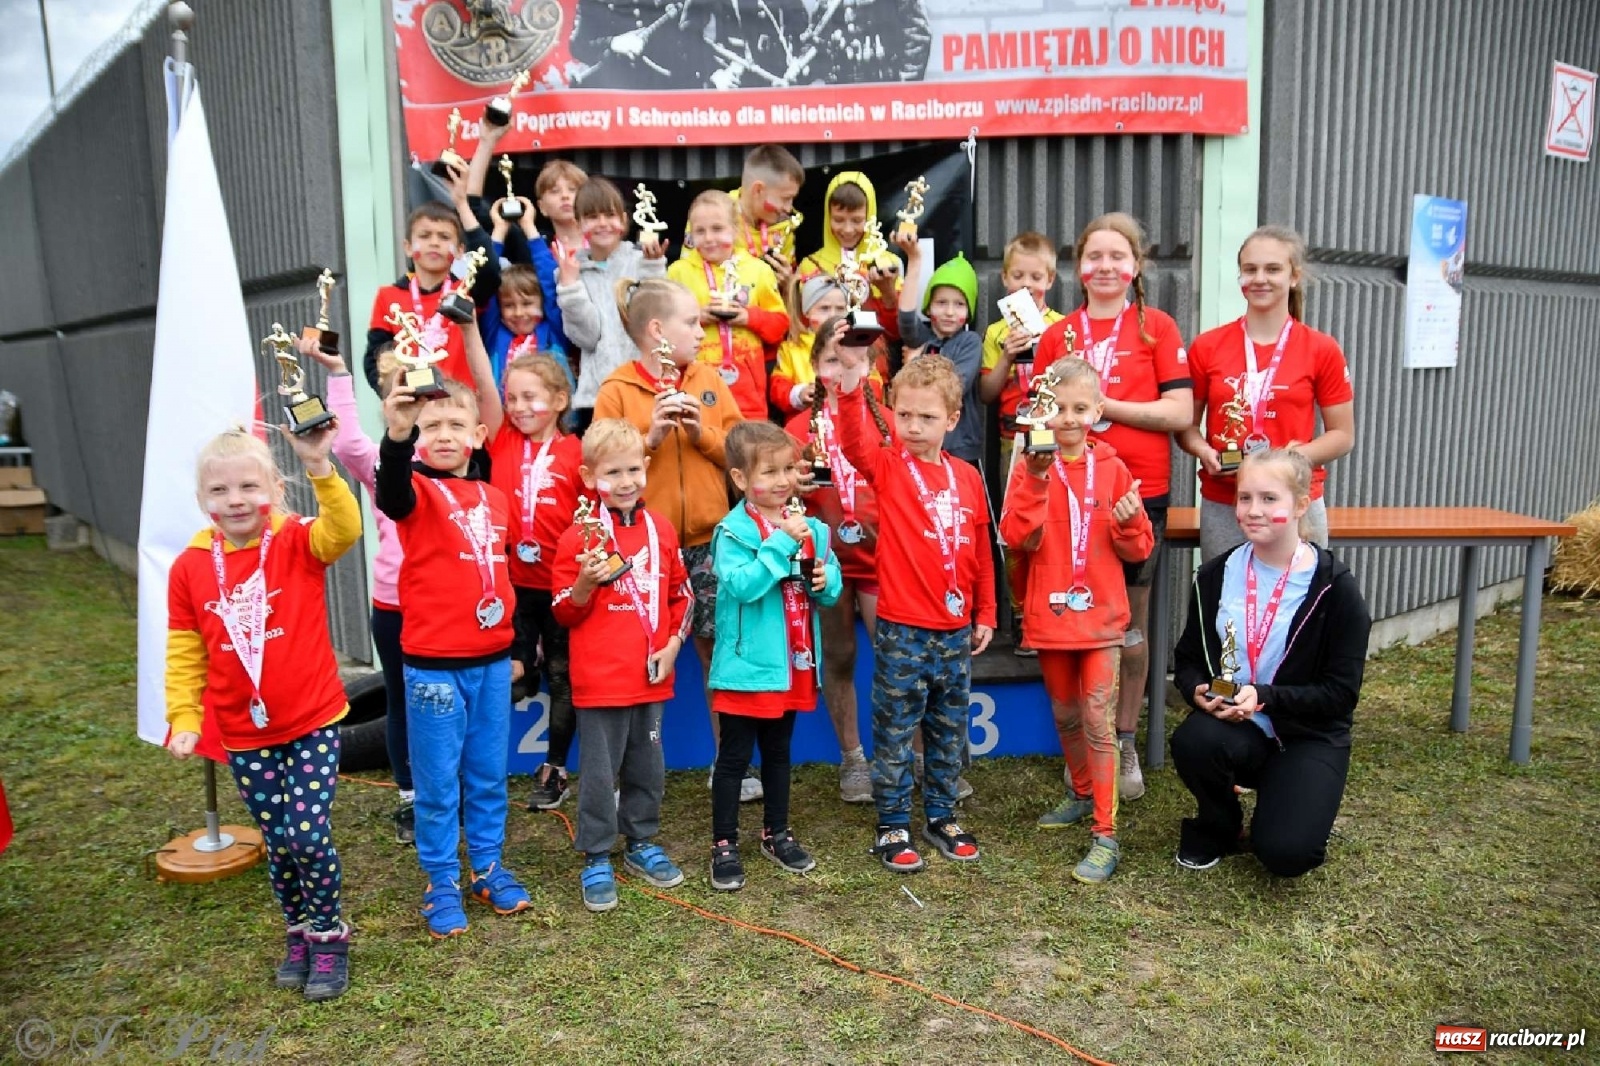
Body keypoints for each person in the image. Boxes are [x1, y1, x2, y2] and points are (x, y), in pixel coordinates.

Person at [165, 425, 361, 1000]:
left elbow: (345, 528)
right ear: (204, 500)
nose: (235, 500)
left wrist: (319, 466)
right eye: (220, 491)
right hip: (243, 733)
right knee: (278, 840)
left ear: (274, 488)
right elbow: (184, 651)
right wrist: (184, 717)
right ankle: (297, 930)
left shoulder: (298, 540)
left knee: (305, 834)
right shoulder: (190, 567)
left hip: (311, 721)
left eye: (249, 486)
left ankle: (329, 936)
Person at [1036, 212, 1193, 801]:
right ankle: (1084, 741)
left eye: (1117, 256)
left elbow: (1180, 414)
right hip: (1067, 497)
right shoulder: (1058, 336)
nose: (1105, 267)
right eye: (1094, 256)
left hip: (1136, 494)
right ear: (1081, 267)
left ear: (1136, 266)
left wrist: (1107, 406)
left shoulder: (1158, 328)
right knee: (1072, 617)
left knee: (1128, 621)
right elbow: (1042, 422)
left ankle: (1123, 737)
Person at [376, 363, 530, 939]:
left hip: (490, 662)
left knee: (488, 774)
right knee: (439, 783)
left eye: (454, 424)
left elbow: (502, 575)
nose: (442, 434)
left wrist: (519, 646)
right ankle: (440, 878)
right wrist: (396, 437)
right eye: (429, 424)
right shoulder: (414, 490)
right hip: (434, 669)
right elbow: (389, 493)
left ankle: (486, 866)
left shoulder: (494, 498)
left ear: (477, 435)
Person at [592, 278, 757, 799]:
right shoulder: (617, 388)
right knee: (635, 653)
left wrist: (698, 433)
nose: (701, 333)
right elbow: (596, 464)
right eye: (692, 323)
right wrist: (651, 439)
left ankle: (729, 765)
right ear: (657, 330)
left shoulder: (708, 379)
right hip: (644, 547)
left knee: (718, 652)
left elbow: (739, 450)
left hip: (712, 539)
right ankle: (623, 776)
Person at [1170, 448, 1370, 877]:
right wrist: (1197, 691)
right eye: (1245, 498)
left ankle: (1291, 801)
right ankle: (1219, 825)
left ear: (1301, 505)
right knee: (1193, 739)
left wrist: (1263, 696)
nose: (1252, 511)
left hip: (1308, 737)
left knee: (1286, 854)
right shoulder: (1215, 576)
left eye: (1269, 499)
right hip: (1238, 728)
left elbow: (1341, 694)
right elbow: (1187, 659)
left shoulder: (1334, 588)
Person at [836, 346, 996, 872]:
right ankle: (892, 822)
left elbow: (980, 553)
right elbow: (856, 441)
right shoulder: (888, 465)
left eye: (927, 417)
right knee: (896, 731)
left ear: (952, 419)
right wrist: (853, 382)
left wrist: (987, 613)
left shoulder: (968, 477)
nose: (913, 426)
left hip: (955, 631)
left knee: (949, 729)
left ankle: (943, 814)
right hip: (903, 629)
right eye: (903, 414)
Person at [999, 358, 1153, 883]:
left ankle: (1105, 835)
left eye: (1080, 408)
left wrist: (1131, 522)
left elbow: (1139, 547)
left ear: (1098, 411)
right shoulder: (1028, 465)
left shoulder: (1113, 468)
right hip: (1051, 614)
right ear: (1043, 410)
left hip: (1103, 617)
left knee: (1095, 717)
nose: (1067, 418)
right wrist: (1037, 478)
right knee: (1065, 713)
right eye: (1057, 408)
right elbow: (1015, 536)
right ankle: (1082, 793)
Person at [551, 418, 695, 912]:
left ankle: (641, 841)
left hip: (652, 676)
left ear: (647, 468)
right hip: (599, 680)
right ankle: (595, 853)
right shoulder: (577, 537)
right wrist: (585, 586)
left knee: (647, 767)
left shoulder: (662, 529)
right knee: (598, 773)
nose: (627, 480)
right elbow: (562, 612)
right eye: (613, 472)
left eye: (634, 468)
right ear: (590, 477)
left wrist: (674, 645)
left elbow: (683, 595)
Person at [707, 421, 843, 890]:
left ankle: (776, 832)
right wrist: (781, 542)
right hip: (746, 668)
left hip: (793, 662)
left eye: (789, 468)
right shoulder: (731, 532)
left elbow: (828, 586)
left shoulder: (813, 528)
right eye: (770, 471)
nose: (784, 480)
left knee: (780, 753)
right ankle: (723, 842)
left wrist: (827, 585)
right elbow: (742, 586)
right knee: (735, 757)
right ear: (741, 479)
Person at [1178, 225, 1355, 561]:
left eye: (1273, 269)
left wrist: (1293, 459)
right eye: (1250, 269)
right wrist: (1204, 450)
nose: (1260, 278)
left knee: (1300, 604)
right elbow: (1186, 427)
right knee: (1228, 605)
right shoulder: (1208, 346)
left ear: (1294, 277)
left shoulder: (1321, 349)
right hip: (1227, 500)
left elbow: (1343, 435)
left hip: (1294, 499)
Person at [301, 336, 416, 843]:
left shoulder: (457, 460)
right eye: (399, 393)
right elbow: (346, 444)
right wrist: (340, 374)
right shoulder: (380, 462)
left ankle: (449, 788)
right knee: (401, 700)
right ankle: (411, 795)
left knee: (447, 703)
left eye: (422, 392)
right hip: (394, 604)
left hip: (450, 610)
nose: (412, 403)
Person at [468, 344, 587, 812]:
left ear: (559, 400)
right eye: (511, 398)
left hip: (559, 587)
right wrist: (467, 326)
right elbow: (481, 382)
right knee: (513, 678)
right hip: (508, 585)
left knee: (563, 677)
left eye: (529, 397)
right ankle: (482, 773)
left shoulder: (576, 451)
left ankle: (555, 768)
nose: (518, 407)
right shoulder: (502, 440)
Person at [785, 319, 890, 803]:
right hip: (825, 560)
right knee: (841, 654)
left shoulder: (888, 420)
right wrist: (793, 489)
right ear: (813, 369)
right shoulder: (794, 430)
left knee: (896, 656)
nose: (839, 370)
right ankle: (853, 759)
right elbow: (771, 498)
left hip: (879, 556)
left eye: (850, 360)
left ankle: (909, 756)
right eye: (830, 360)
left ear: (874, 368)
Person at [363, 166, 500, 392]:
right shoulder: (388, 297)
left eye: (444, 237)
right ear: (407, 247)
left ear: (459, 250)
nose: (434, 242)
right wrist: (395, 394)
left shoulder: (465, 291)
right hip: (414, 404)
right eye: (425, 236)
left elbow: (490, 269)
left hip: (462, 404)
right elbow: (376, 358)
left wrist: (462, 205)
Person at [668, 190, 790, 421]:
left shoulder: (758, 270)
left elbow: (780, 327)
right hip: (696, 390)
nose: (709, 238)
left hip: (749, 395)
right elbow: (665, 332)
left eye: (717, 229)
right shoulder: (678, 272)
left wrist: (748, 317)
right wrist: (697, 318)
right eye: (700, 231)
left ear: (735, 230)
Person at [557, 177, 669, 429]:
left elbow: (656, 323)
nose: (603, 223)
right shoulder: (571, 272)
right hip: (597, 396)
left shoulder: (641, 261)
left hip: (645, 387)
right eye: (592, 216)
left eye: (610, 215)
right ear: (578, 224)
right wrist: (570, 287)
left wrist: (653, 270)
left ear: (624, 220)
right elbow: (587, 337)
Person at [890, 237, 984, 466]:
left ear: (969, 310)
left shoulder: (970, 342)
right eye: (941, 302)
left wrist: (916, 363)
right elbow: (905, 318)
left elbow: (955, 386)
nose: (950, 312)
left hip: (960, 447)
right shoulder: (922, 336)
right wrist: (914, 260)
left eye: (959, 304)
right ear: (929, 306)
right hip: (922, 443)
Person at [979, 231, 1067, 468]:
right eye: (1018, 275)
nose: (1026, 283)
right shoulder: (996, 331)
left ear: (1049, 280)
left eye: (1036, 277)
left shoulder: (1062, 326)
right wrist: (1007, 356)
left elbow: (1074, 382)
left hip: (1056, 433)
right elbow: (986, 394)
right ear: (1005, 277)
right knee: (1014, 499)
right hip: (1012, 435)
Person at [770, 275, 850, 420]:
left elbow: (875, 384)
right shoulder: (792, 348)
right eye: (824, 308)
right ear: (807, 312)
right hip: (805, 425)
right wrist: (800, 393)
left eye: (840, 309)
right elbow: (778, 387)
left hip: (848, 419)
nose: (832, 315)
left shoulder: (857, 344)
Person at [725, 144, 806, 285]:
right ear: (758, 190)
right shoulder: (714, 216)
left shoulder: (784, 226)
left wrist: (788, 284)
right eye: (785, 198)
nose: (788, 208)